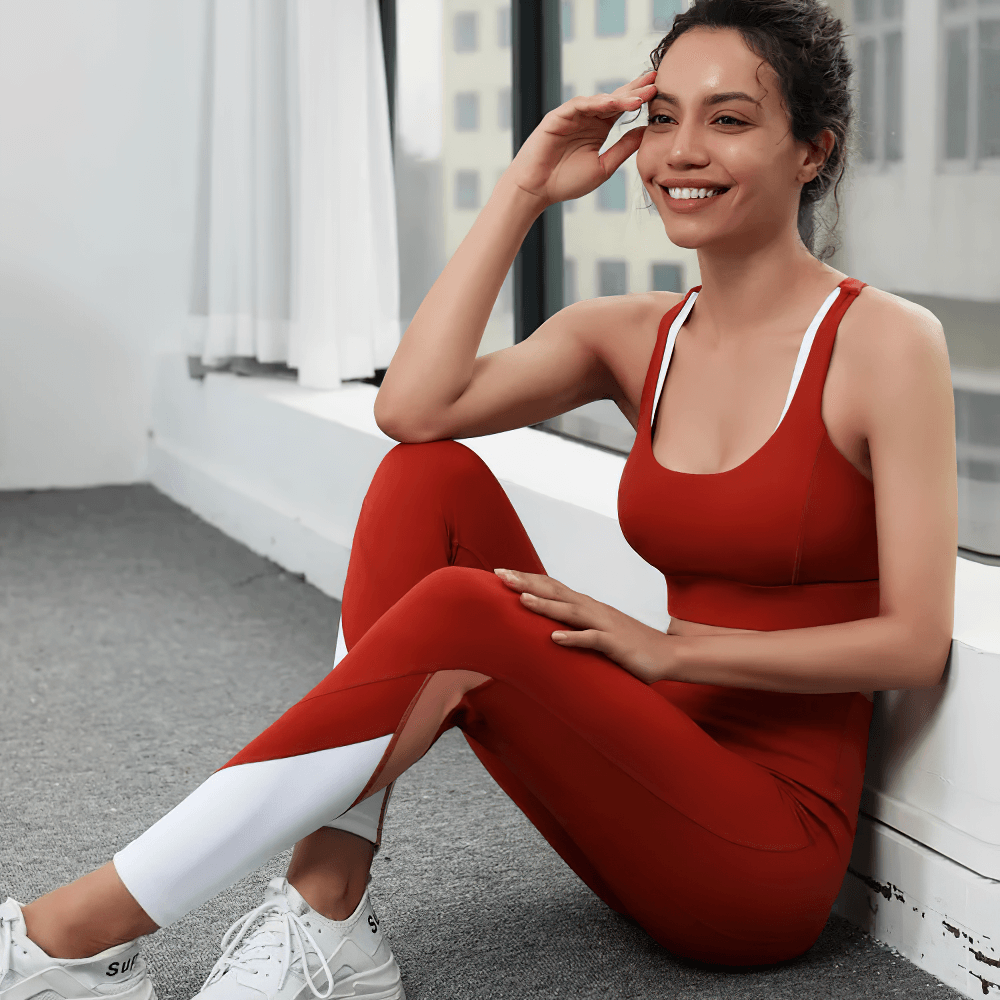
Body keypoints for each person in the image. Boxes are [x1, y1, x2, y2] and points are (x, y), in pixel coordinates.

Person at [1, 1, 957, 998]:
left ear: (812, 150)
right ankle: (327, 909)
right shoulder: (632, 334)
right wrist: (525, 188)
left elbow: (910, 643)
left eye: (727, 119)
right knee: (428, 476)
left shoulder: (885, 344)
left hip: (758, 856)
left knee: (466, 608)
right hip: (639, 768)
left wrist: (673, 649)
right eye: (661, 116)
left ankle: (68, 933)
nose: (680, 151)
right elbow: (415, 409)